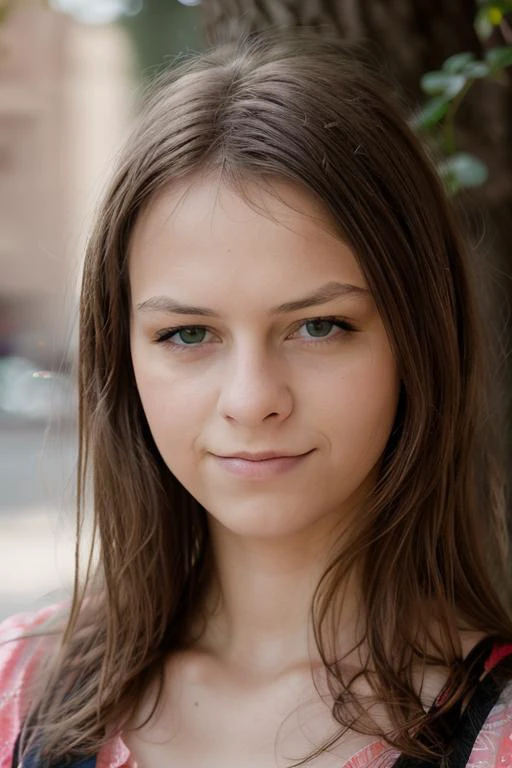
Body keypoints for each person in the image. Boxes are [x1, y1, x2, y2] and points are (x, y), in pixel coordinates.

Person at [1, 30, 512, 768]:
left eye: (318, 326)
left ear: (418, 340)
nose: (251, 400)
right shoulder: (19, 697)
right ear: (122, 356)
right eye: (187, 335)